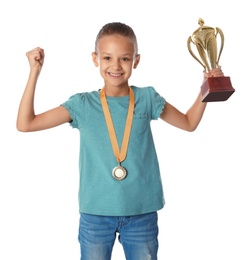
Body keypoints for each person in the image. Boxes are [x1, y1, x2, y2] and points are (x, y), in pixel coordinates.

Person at [16, 22, 224, 260]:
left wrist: (208, 87)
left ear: (136, 60)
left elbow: (188, 123)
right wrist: (34, 73)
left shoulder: (147, 98)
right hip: (95, 214)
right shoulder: (82, 105)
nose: (115, 66)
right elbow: (26, 124)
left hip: (141, 214)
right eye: (107, 58)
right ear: (95, 59)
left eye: (124, 59)